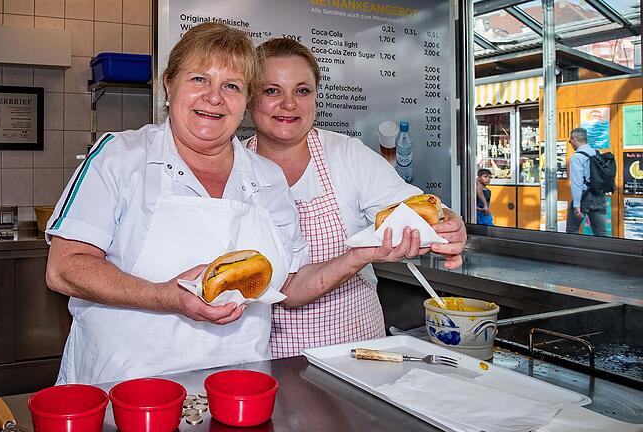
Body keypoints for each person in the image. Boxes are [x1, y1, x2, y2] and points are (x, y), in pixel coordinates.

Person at [44, 23, 422, 384]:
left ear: (245, 101)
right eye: (199, 80)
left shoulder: (266, 178)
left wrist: (358, 255)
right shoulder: (119, 156)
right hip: (125, 386)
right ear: (168, 85)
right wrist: (165, 297)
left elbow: (289, 284)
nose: (214, 97)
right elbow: (64, 269)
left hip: (235, 387)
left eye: (232, 86)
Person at [245, 38, 467, 358]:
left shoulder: (346, 154)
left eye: (302, 90)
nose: (289, 103)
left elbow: (409, 206)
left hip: (357, 348)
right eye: (272, 90)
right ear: (251, 97)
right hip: (272, 354)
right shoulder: (234, 167)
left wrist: (448, 222)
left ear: (316, 96)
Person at [567, 127, 607, 236]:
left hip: (584, 197)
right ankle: (603, 252)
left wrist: (576, 205)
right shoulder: (597, 154)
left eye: (570, 140)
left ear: (575, 139)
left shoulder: (576, 157)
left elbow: (577, 183)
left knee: (572, 230)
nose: (571, 143)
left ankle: (573, 253)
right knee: (601, 232)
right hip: (599, 196)